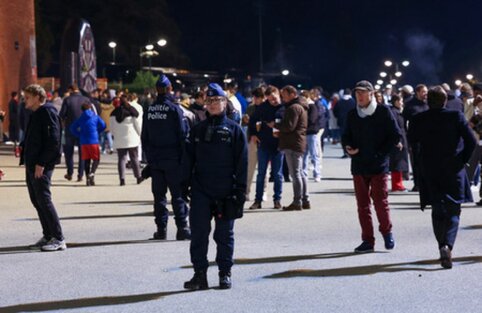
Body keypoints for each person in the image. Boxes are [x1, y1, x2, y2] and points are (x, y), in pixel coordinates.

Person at [184, 83, 247, 290]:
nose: (212, 104)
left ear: (224, 102)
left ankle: (224, 273)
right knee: (199, 234)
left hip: (225, 191)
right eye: (209, 101)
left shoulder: (235, 130)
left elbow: (242, 163)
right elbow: (188, 160)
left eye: (216, 100)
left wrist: (240, 191)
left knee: (224, 235)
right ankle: (199, 275)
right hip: (201, 190)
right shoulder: (197, 130)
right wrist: (183, 187)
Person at [408, 86, 476, 269]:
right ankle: (448, 245)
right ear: (445, 100)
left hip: (430, 168)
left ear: (427, 101)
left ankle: (441, 246)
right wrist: (462, 159)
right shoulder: (456, 116)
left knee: (437, 209)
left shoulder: (418, 119)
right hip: (453, 168)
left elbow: (411, 140)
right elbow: (472, 141)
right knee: (454, 209)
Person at [342, 80, 400, 253]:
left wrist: (380, 154)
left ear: (371, 94)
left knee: (380, 203)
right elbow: (346, 135)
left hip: (378, 165)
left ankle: (387, 232)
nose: (359, 96)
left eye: (362, 92)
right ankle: (367, 240)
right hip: (359, 164)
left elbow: (395, 136)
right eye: (357, 93)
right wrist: (348, 147)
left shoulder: (383, 111)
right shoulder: (353, 114)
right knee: (362, 205)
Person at [141, 74, 191, 241]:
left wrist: (149, 159)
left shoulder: (149, 110)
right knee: (178, 196)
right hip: (173, 159)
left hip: (156, 161)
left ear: (157, 90)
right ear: (170, 89)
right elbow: (182, 135)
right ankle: (182, 228)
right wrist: (185, 160)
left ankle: (161, 230)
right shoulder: (174, 109)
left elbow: (144, 137)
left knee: (159, 197)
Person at [20, 84, 66, 252]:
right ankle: (48, 235)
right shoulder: (36, 113)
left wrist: (42, 163)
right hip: (32, 163)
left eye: (28, 97)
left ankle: (58, 238)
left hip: (41, 165)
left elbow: (54, 141)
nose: (25, 100)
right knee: (37, 200)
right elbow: (35, 137)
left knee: (44, 199)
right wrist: (23, 146)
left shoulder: (47, 112)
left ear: (38, 97)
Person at [270, 85, 309, 211]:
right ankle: (305, 199)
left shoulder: (293, 107)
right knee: (300, 172)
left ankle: (297, 201)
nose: (283, 97)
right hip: (297, 142)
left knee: (295, 173)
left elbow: (289, 127)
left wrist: (275, 125)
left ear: (292, 94)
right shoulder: (300, 105)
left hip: (292, 143)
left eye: (285, 95)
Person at [249, 85, 284, 209]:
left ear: (278, 94)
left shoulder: (284, 107)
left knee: (278, 174)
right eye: (270, 99)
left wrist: (279, 125)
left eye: (274, 98)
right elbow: (252, 120)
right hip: (263, 144)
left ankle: (277, 200)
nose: (273, 101)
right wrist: (253, 133)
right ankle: (257, 200)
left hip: (279, 146)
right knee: (261, 174)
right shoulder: (263, 107)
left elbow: (292, 123)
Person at [69, 102, 106, 186]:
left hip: (83, 142)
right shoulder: (95, 117)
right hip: (94, 141)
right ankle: (92, 173)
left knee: (87, 160)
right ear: (90, 108)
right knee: (96, 159)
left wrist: (79, 134)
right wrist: (97, 132)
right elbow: (103, 125)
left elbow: (72, 128)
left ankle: (88, 180)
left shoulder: (80, 118)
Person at [59, 84, 90, 182]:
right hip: (83, 130)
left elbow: (62, 115)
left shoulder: (67, 100)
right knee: (82, 153)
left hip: (70, 129)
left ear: (70, 90)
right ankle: (80, 174)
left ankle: (70, 172)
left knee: (69, 153)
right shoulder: (86, 99)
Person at [110, 95, 143, 186]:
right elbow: (137, 125)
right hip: (132, 138)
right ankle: (138, 177)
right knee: (134, 158)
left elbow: (112, 128)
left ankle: (122, 179)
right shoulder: (132, 111)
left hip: (120, 139)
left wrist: (115, 135)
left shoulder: (114, 113)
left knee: (121, 159)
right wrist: (140, 134)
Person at [403, 84, 428, 192]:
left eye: (426, 92)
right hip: (415, 138)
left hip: (428, 138)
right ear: (417, 92)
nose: (425, 94)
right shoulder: (410, 105)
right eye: (423, 92)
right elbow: (403, 121)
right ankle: (417, 184)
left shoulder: (429, 104)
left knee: (427, 162)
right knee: (417, 162)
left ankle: (427, 183)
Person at [388, 94, 409, 192]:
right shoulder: (393, 112)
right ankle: (396, 185)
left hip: (402, 138)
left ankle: (399, 183)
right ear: (396, 101)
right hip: (398, 140)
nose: (402, 103)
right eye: (400, 101)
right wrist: (398, 140)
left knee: (400, 162)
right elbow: (394, 128)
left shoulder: (396, 111)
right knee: (397, 163)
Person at [333, 88, 356, 157]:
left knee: (343, 138)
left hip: (342, 121)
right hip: (352, 122)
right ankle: (352, 152)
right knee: (352, 137)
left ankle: (345, 152)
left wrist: (338, 117)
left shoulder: (339, 102)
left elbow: (335, 111)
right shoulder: (353, 102)